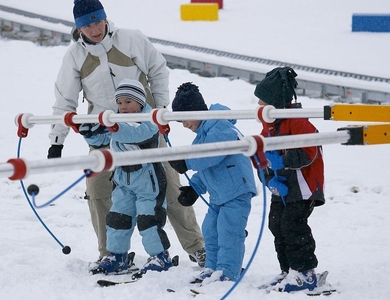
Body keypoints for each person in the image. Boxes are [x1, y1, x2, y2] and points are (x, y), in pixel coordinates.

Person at [46, 0, 205, 272]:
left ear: (105, 18)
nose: (94, 29)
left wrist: (161, 112)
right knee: (98, 192)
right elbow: (65, 99)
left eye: (97, 21)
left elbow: (158, 69)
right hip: (104, 137)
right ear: (78, 27)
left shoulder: (131, 39)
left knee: (169, 185)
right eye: (86, 25)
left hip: (146, 131)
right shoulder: (74, 56)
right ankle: (111, 253)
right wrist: (56, 141)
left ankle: (198, 248)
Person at [80, 79, 173, 274]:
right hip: (123, 180)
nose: (123, 107)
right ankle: (118, 255)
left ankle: (160, 256)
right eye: (120, 103)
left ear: (139, 102)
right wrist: (89, 131)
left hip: (149, 181)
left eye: (128, 102)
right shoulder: (117, 121)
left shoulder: (150, 120)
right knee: (117, 218)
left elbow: (133, 135)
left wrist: (111, 127)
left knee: (149, 220)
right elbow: (103, 139)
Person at [168, 82, 257, 284]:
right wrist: (194, 188)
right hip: (219, 195)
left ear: (196, 111)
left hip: (236, 192)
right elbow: (206, 167)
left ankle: (227, 271)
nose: (184, 124)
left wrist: (187, 161)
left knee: (229, 232)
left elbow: (212, 154)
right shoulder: (202, 136)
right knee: (210, 230)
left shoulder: (220, 125)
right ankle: (212, 267)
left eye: (185, 119)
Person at [253, 67, 325, 292]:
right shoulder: (269, 127)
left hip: (303, 187)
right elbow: (263, 160)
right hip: (282, 189)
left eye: (262, 101)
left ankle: (306, 273)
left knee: (292, 226)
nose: (258, 107)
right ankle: (289, 270)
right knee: (276, 224)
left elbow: (309, 151)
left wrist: (282, 160)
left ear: (275, 103)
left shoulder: (296, 121)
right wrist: (268, 179)